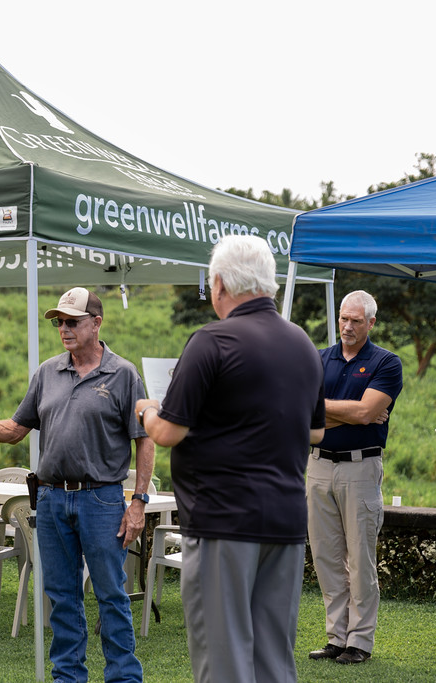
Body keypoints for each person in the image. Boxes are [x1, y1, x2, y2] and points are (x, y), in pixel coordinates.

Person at [134, 235, 326, 683]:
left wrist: (145, 408)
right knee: (273, 660)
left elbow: (166, 431)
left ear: (218, 284)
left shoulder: (211, 340)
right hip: (285, 521)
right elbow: (316, 430)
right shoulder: (302, 343)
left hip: (222, 520)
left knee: (225, 662)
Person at [0, 287, 152, 683]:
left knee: (110, 594)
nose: (64, 328)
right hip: (51, 499)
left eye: (72, 321)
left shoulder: (124, 374)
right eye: (59, 321)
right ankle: (68, 677)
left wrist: (139, 501)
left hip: (102, 500)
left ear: (97, 323)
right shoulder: (47, 372)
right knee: (62, 597)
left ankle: (124, 678)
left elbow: (144, 440)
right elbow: (13, 431)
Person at [307, 289, 403, 665]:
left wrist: (328, 411)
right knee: (326, 557)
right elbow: (301, 412)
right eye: (344, 319)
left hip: (361, 468)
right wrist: (351, 411)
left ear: (372, 323)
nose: (347, 326)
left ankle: (359, 641)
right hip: (317, 466)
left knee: (360, 560)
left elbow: (366, 414)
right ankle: (336, 637)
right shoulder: (318, 359)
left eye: (356, 321)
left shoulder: (386, 363)